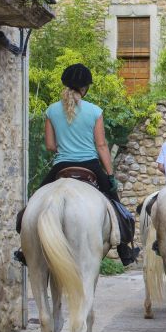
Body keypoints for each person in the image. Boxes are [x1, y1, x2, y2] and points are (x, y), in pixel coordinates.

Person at [15, 63, 138, 265]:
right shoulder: (95, 111)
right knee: (117, 207)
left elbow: (50, 145)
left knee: (33, 205)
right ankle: (125, 249)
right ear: (84, 88)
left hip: (61, 165)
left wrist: (66, 146)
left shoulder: (51, 111)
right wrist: (110, 175)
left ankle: (24, 249)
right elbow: (101, 145)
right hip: (90, 165)